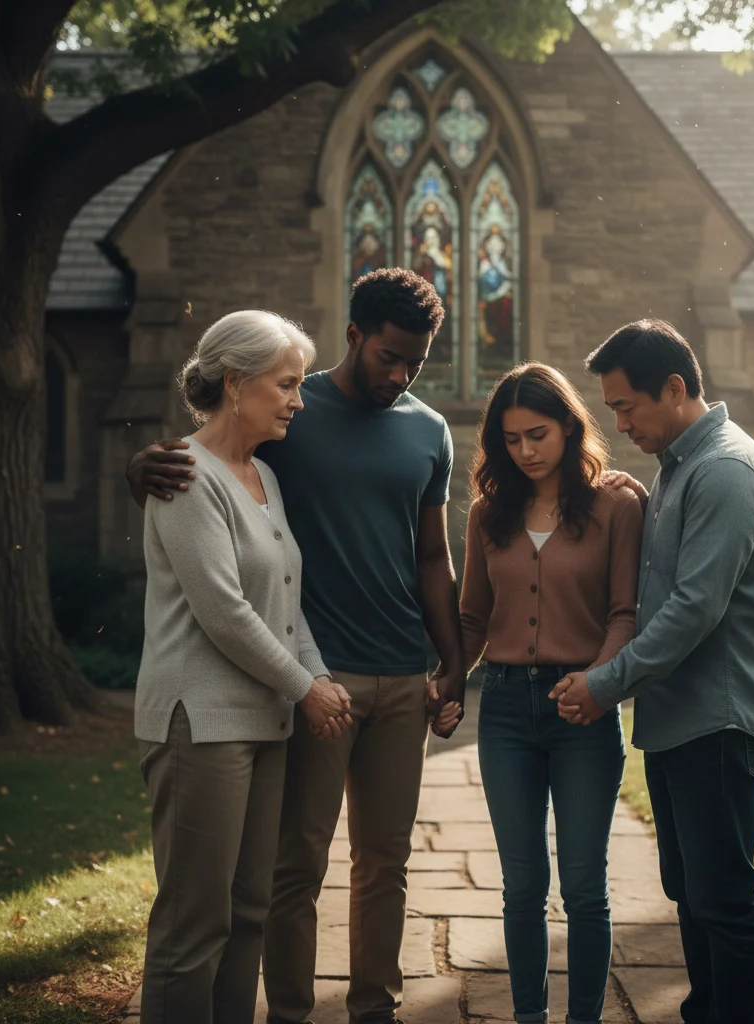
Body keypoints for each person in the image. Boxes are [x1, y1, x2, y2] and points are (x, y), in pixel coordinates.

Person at [126, 268, 465, 1024]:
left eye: (416, 362)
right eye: (388, 356)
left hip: (365, 681)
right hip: (284, 689)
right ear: (354, 336)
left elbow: (425, 560)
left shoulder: (408, 435)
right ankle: (289, 1013)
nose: (400, 374)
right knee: (274, 881)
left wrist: (453, 663)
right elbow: (211, 534)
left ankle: (372, 1009)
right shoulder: (283, 417)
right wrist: (138, 469)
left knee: (348, 874)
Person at [551, 320, 754, 1024]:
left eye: (626, 406)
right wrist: (649, 504)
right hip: (682, 717)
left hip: (716, 716)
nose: (618, 423)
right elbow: (680, 568)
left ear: (676, 389)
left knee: (723, 898)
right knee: (691, 888)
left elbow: (693, 609)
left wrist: (604, 682)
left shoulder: (723, 470)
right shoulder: (687, 468)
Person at [135, 310, 353, 1024]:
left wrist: (315, 679)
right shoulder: (185, 476)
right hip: (199, 722)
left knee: (248, 911)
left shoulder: (262, 474)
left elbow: (286, 599)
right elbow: (224, 611)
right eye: (286, 384)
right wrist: (305, 688)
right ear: (235, 383)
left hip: (264, 721)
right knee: (193, 925)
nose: (298, 399)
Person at [435, 362, 642, 1024]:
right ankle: (529, 1017)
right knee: (522, 887)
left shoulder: (616, 505)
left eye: (539, 434)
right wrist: (448, 684)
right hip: (504, 711)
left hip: (585, 707)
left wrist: (601, 684)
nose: (525, 450)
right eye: (513, 438)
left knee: (584, 888)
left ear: (570, 428)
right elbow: (470, 618)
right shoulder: (491, 514)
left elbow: (625, 612)